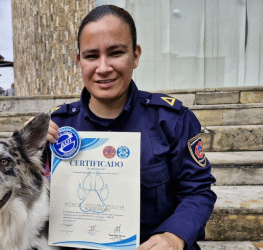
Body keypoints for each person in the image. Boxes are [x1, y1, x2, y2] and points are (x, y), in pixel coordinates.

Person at [44, 5, 216, 250]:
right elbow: (27, 195)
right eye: (92, 56)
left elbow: (198, 191)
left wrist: (175, 236)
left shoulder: (171, 120)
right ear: (79, 61)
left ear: (135, 56)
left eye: (116, 53)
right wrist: (26, 145)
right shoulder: (58, 126)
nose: (103, 68)